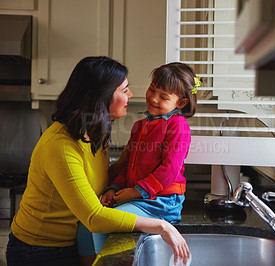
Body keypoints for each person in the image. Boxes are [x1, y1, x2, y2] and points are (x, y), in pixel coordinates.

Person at [6, 56, 190, 266]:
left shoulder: (94, 132)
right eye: (124, 89)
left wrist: (118, 179)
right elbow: (93, 217)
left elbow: (98, 178)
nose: (131, 94)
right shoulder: (61, 146)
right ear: (101, 97)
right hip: (39, 250)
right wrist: (161, 226)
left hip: (69, 243)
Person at [80, 62, 199, 257]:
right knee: (86, 226)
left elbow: (168, 170)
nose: (153, 98)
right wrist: (115, 189)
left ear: (181, 103)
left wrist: (136, 192)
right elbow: (129, 166)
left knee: (105, 223)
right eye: (152, 89)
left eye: (163, 97)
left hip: (162, 202)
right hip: (139, 198)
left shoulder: (178, 126)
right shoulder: (139, 126)